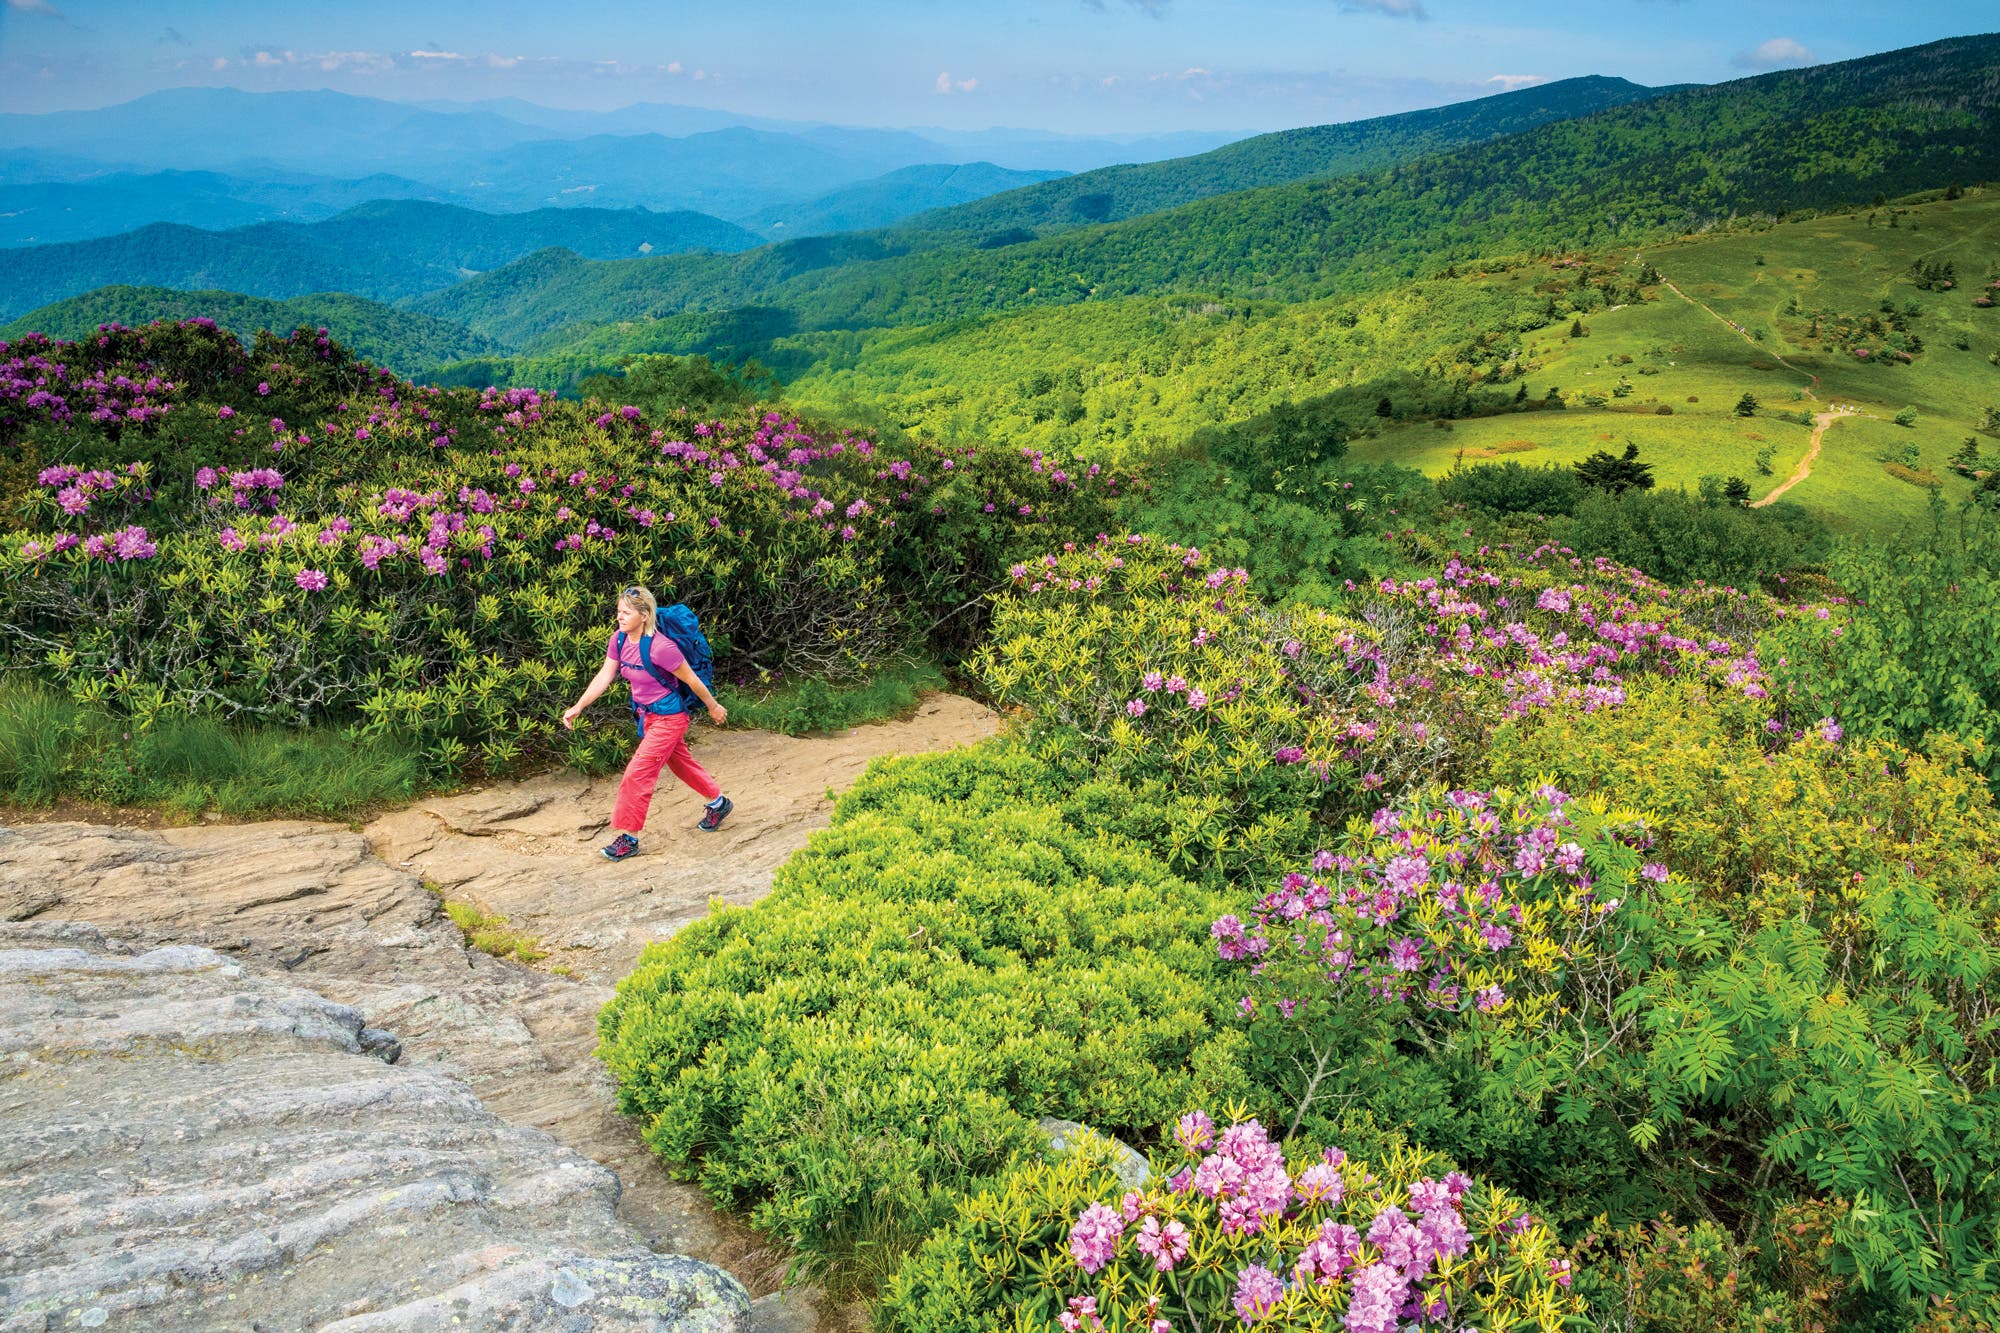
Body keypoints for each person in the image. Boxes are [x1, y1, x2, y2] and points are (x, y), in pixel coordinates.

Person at [561, 584, 732, 859]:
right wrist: (579, 706)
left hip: (671, 719)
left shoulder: (662, 648)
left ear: (644, 615)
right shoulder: (618, 640)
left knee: (637, 774)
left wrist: (714, 707)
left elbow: (692, 680)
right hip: (648, 717)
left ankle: (628, 838)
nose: (619, 617)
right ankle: (719, 803)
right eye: (618, 611)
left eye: (626, 612)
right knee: (680, 763)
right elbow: (604, 676)